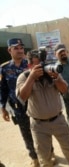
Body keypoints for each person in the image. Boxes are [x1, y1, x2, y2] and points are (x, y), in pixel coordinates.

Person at [15, 49, 69, 167]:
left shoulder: (51, 73)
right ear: (30, 65)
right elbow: (22, 97)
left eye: (43, 64)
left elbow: (64, 90)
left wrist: (57, 78)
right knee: (44, 157)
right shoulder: (23, 77)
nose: (42, 67)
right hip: (39, 125)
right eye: (38, 65)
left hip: (58, 120)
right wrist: (31, 77)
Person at [0, 38, 39, 167]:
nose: (20, 50)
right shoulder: (4, 69)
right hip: (18, 108)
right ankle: (34, 158)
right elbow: (3, 89)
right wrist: (3, 108)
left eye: (21, 47)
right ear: (9, 50)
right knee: (26, 133)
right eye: (16, 48)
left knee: (41, 130)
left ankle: (48, 153)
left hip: (33, 104)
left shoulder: (30, 65)